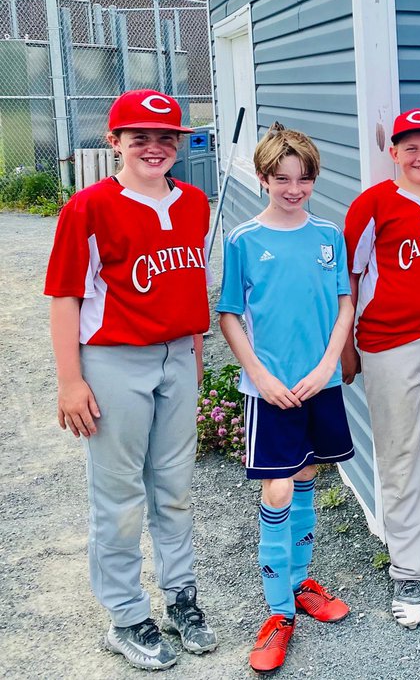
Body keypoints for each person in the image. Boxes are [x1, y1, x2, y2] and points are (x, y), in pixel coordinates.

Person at [45, 90, 217, 671]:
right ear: (114, 142)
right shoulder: (88, 207)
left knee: (174, 486)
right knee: (119, 495)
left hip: (176, 356)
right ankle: (124, 616)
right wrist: (70, 380)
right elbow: (66, 297)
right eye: (139, 137)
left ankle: (181, 597)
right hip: (114, 360)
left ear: (180, 145)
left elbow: (189, 283)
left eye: (166, 137)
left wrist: (194, 349)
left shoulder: (193, 202)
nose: (154, 147)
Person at [217, 125, 355, 673]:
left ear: (314, 180)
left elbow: (344, 305)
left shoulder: (328, 235)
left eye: (303, 179)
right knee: (276, 488)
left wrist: (326, 367)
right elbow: (229, 315)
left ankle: (300, 583)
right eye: (282, 179)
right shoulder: (244, 239)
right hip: (270, 390)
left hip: (320, 383)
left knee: (306, 475)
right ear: (262, 179)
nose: (293, 189)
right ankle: (278, 612)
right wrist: (260, 376)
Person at [342, 109, 420, 628]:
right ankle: (407, 571)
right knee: (401, 456)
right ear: (393, 152)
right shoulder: (372, 204)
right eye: (410, 147)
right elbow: (349, 278)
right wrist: (347, 345)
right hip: (388, 342)